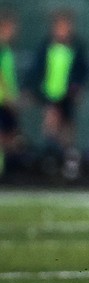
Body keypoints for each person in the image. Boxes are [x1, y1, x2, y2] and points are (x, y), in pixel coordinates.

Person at [25, 9, 89, 180]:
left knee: (67, 129)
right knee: (51, 125)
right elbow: (37, 70)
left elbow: (83, 71)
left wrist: (77, 87)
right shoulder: (46, 46)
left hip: (68, 95)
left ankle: (69, 161)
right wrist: (33, 90)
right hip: (51, 94)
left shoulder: (76, 47)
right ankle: (50, 159)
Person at [0, 11, 29, 176]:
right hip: (3, 100)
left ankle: (7, 171)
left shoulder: (7, 50)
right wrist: (9, 96)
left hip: (7, 98)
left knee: (10, 135)